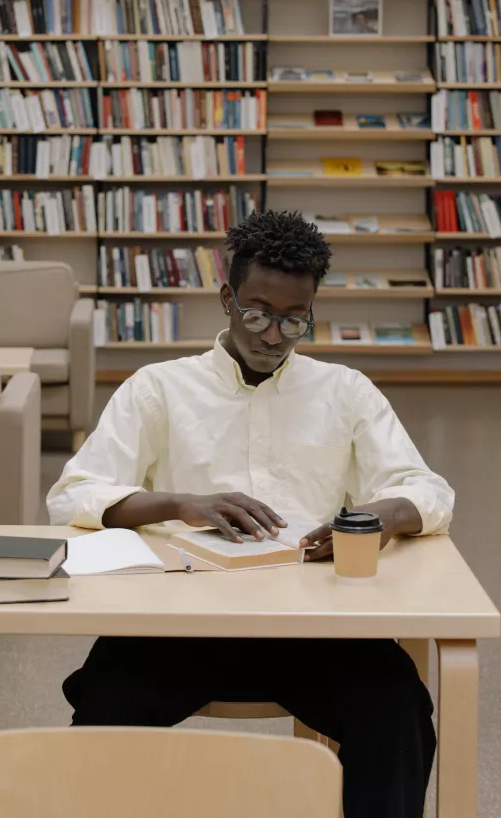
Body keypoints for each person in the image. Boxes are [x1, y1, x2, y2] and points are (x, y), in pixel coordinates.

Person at [47, 209, 454, 818]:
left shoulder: (345, 391)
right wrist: (181, 503)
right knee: (107, 703)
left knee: (398, 708)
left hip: (314, 629)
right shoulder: (158, 388)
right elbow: (73, 493)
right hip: (179, 627)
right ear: (227, 299)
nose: (273, 335)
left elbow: (425, 489)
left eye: (295, 320)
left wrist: (378, 516)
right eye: (258, 313)